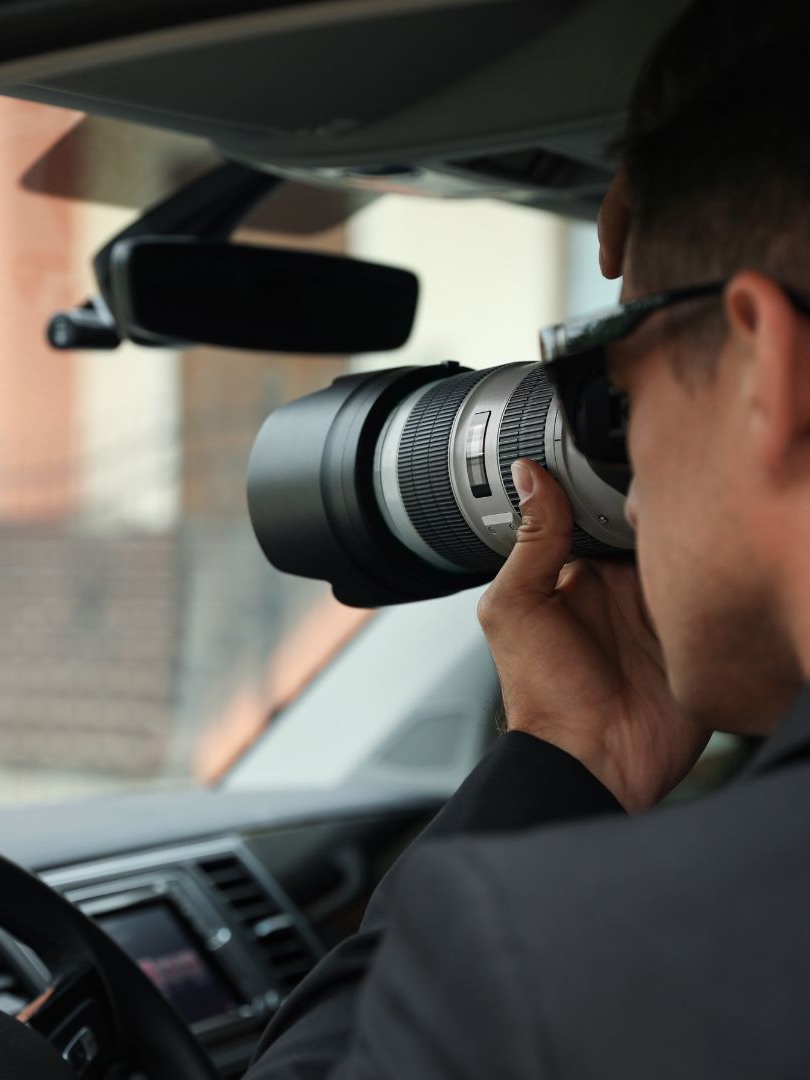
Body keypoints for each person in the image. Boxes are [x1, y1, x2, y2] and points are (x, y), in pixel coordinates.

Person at [245, 2, 810, 1076]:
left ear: (766, 365)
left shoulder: (544, 975)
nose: (627, 485)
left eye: (614, 375)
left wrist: (562, 758)